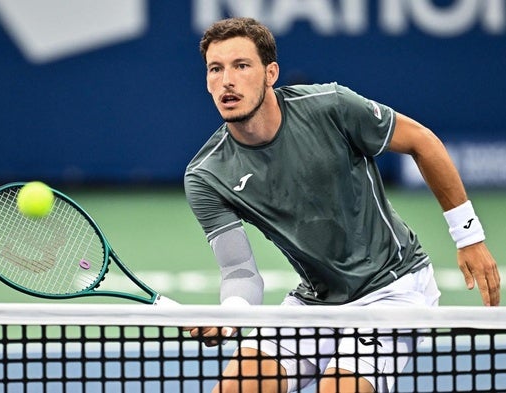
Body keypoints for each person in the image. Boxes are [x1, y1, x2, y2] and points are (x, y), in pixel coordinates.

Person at [183, 17, 500, 393]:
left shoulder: (330, 106)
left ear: (271, 73)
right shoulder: (206, 174)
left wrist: (469, 236)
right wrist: (231, 316)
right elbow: (239, 273)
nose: (226, 81)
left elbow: (423, 141)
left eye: (241, 65)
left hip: (392, 287)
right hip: (315, 301)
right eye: (215, 69)